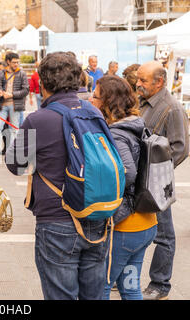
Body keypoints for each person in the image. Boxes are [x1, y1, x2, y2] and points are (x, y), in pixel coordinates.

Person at [5, 52, 109, 300]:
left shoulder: (38, 119)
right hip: (97, 214)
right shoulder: (94, 112)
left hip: (57, 219)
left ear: (44, 83)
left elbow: (16, 165)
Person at [91, 75, 157, 300]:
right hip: (145, 222)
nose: (91, 99)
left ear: (108, 102)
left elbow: (127, 173)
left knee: (101, 287)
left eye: (96, 96)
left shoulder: (118, 133)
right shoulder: (137, 124)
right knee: (130, 287)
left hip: (125, 227)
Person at [136, 61, 189, 300]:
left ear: (159, 82)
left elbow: (180, 148)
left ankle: (160, 284)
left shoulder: (172, 108)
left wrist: (157, 171)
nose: (138, 84)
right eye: (138, 79)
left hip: (158, 184)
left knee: (164, 236)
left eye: (143, 80)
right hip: (139, 181)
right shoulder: (143, 103)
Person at [0, 52, 29, 160]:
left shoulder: (22, 73)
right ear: (8, 62)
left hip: (15, 105)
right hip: (2, 105)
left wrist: (12, 95)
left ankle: (11, 153)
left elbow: (26, 90)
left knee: (14, 129)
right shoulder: (1, 73)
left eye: (17, 62)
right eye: (14, 62)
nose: (16, 64)